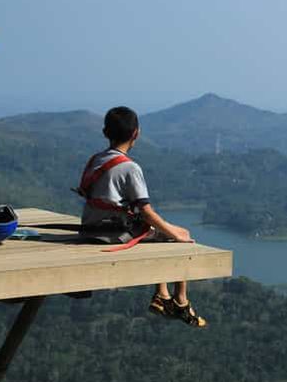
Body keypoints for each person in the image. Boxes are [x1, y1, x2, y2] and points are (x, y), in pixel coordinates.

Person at [77, 106, 206, 327]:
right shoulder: (129, 167)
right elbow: (145, 210)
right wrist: (176, 234)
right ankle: (181, 300)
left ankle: (163, 295)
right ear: (136, 133)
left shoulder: (95, 159)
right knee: (181, 234)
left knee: (159, 232)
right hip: (112, 232)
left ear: (105, 132)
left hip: (90, 225)